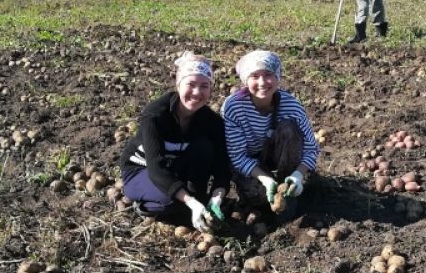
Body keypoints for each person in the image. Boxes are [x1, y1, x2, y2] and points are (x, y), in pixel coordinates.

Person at [119, 52, 230, 232]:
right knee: (170, 201)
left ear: (211, 89)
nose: (197, 92)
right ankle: (145, 205)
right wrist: (191, 202)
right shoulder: (155, 115)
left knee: (204, 146)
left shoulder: (213, 122)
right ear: (178, 84)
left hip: (177, 168)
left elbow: (222, 168)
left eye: (204, 86)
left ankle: (193, 202)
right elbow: (156, 167)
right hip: (143, 169)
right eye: (191, 84)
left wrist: (216, 197)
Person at [221, 50, 319, 217]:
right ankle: (268, 192)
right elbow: (236, 156)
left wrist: (298, 175)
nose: (262, 82)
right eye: (254, 76)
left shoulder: (292, 107)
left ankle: (289, 186)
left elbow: (311, 149)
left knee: (289, 128)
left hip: (279, 157)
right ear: (246, 79)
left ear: (277, 77)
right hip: (250, 163)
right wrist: (265, 179)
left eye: (268, 75)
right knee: (258, 198)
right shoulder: (234, 107)